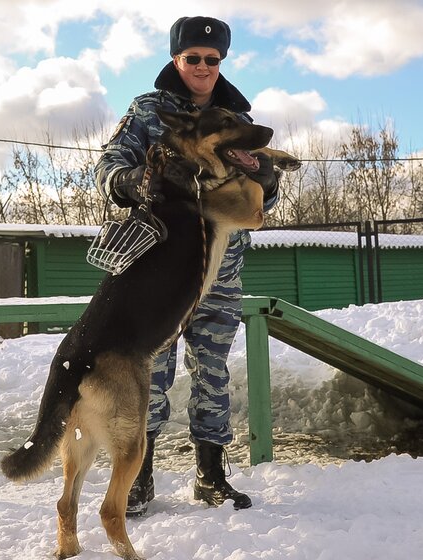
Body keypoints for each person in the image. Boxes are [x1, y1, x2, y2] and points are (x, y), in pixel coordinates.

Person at [93, 16, 279, 515]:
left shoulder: (237, 117)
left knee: (213, 372)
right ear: (177, 59)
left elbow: (259, 201)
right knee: (149, 372)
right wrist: (134, 181)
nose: (202, 66)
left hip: (219, 272)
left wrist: (269, 179)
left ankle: (211, 476)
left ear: (222, 61)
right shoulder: (149, 110)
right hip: (159, 272)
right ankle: (138, 476)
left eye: (211, 58)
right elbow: (106, 168)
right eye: (192, 57)